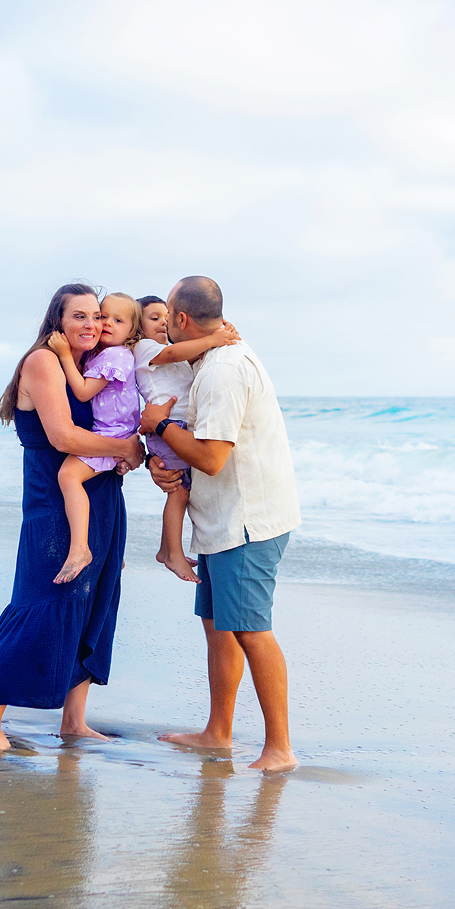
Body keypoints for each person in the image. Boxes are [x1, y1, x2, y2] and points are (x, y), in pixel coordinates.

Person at [0, 285, 146, 752]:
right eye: (80, 316)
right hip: (54, 504)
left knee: (94, 604)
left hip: (101, 497)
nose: (91, 324)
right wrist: (126, 448)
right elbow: (65, 436)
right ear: (57, 321)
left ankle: (74, 722)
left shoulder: (93, 363)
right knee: (42, 602)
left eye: (97, 316)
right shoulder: (43, 362)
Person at [139, 277, 302, 772]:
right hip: (220, 519)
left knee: (251, 630)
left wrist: (159, 426)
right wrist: (157, 460)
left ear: (181, 320)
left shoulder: (224, 371)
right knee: (218, 628)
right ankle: (218, 732)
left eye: (166, 316)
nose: (164, 326)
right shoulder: (206, 362)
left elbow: (210, 458)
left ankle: (280, 750)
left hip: (248, 521)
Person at [132, 295, 241, 583]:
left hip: (176, 426)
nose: (163, 322)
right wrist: (213, 339)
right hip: (168, 427)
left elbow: (185, 356)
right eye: (153, 318)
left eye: (165, 317)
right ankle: (173, 555)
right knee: (178, 492)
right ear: (136, 327)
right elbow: (172, 355)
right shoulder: (144, 348)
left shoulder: (171, 349)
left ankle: (165, 549)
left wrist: (218, 331)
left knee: (182, 491)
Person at [49, 292, 143, 584]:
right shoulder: (102, 354)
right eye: (103, 317)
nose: (107, 324)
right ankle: (111, 550)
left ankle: (81, 549)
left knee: (68, 476)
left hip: (111, 433)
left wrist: (64, 355)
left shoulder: (117, 356)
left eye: (118, 320)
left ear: (131, 331)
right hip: (111, 431)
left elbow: (82, 392)